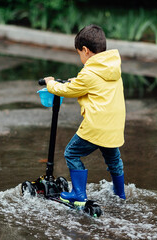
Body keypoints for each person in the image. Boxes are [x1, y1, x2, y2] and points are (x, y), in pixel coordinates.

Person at [44, 24, 126, 204]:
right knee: (113, 159)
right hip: (114, 125)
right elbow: (95, 87)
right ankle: (120, 194)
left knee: (71, 153)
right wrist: (78, 81)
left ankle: (78, 194)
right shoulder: (113, 68)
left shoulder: (88, 72)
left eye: (79, 53)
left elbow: (68, 90)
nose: (80, 57)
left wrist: (51, 84)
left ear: (86, 50)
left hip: (96, 126)